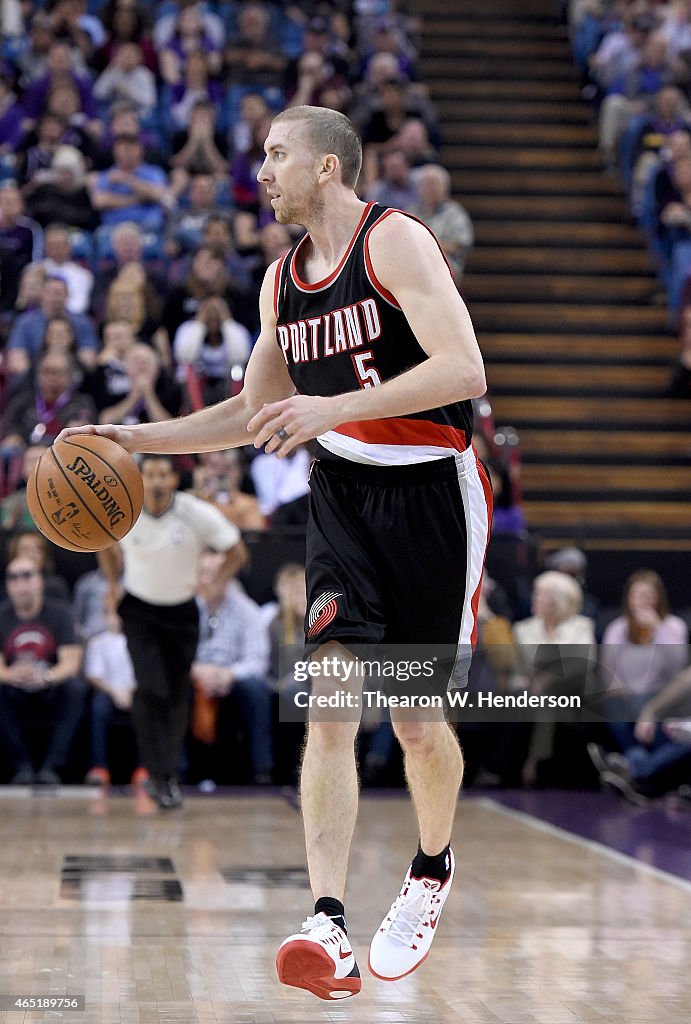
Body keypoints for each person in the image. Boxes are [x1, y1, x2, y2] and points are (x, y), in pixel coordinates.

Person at [57, 105, 490, 1001]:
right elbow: (246, 416)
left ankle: (431, 868)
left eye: (276, 154)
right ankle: (326, 920)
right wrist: (131, 437)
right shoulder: (279, 282)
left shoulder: (395, 242)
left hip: (430, 493)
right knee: (327, 702)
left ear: (327, 168)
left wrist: (331, 410)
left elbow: (465, 370)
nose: (262, 170)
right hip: (339, 495)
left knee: (413, 722)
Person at [97, 454, 247, 810]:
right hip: (138, 610)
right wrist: (112, 583)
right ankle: (158, 773)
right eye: (149, 475)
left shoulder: (195, 512)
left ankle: (168, 776)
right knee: (151, 688)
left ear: (174, 480)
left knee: (178, 695)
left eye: (163, 474)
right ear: (140, 479)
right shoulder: (124, 510)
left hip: (181, 611)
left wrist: (215, 583)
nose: (157, 481)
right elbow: (104, 544)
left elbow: (236, 551)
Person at [0, 556, 84, 785]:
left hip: (50, 684)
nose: (20, 583)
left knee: (75, 689)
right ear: (7, 585)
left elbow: (71, 663)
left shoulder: (60, 613)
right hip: (14, 686)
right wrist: (11, 676)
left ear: (40, 582)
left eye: (27, 575)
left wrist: (46, 677)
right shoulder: (2, 616)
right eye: (13, 577)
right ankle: (21, 766)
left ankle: (52, 766)